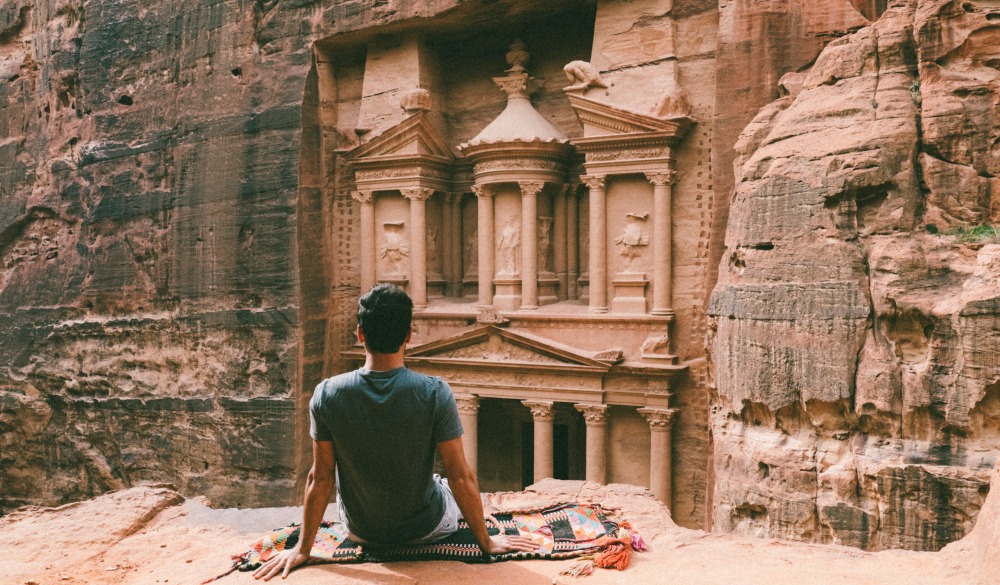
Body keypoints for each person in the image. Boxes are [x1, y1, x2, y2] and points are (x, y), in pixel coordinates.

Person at [254, 284, 538, 580]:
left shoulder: (327, 394)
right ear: (409, 335)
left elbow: (321, 477)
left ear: (360, 333)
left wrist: (303, 548)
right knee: (442, 484)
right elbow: (461, 475)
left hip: (361, 532)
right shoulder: (434, 393)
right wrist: (487, 542)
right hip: (425, 529)